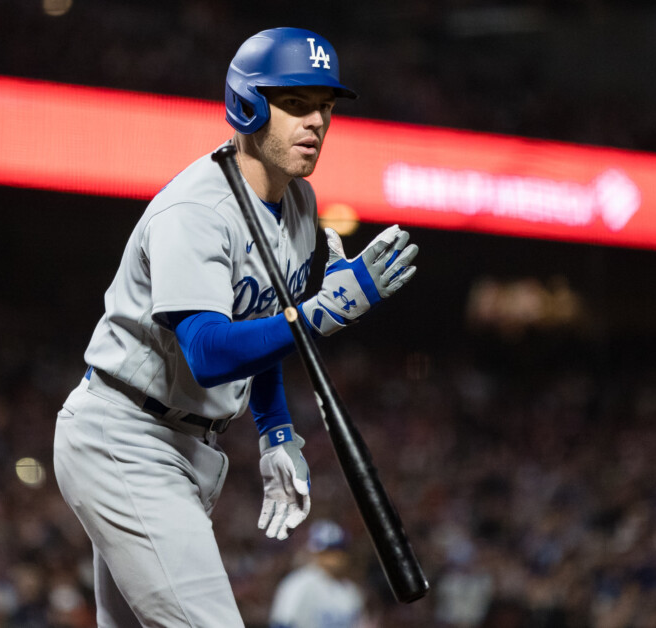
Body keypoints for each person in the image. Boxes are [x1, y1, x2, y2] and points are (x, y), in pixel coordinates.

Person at [52, 27, 418, 627]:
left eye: (325, 107)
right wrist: (324, 312)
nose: (317, 123)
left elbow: (267, 326)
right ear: (246, 105)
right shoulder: (198, 209)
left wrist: (276, 430)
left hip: (183, 443)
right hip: (126, 436)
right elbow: (209, 353)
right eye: (296, 105)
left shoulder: (299, 202)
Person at [269, 520, 371, 628]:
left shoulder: (351, 591)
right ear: (316, 552)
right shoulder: (298, 584)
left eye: (341, 549)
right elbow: (281, 624)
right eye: (330, 551)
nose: (337, 556)